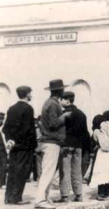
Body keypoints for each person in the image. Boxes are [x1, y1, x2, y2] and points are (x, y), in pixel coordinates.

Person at [34, 80, 72, 208]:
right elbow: (53, 123)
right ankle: (40, 200)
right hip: (52, 142)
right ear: (60, 91)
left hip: (48, 141)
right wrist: (65, 116)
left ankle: (44, 197)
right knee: (48, 172)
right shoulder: (54, 104)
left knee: (47, 171)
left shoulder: (49, 103)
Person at [2, 86, 37, 205]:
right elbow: (26, 129)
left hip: (13, 146)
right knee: (21, 171)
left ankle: (8, 197)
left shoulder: (11, 108)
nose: (31, 95)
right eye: (30, 93)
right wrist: (17, 140)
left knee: (12, 170)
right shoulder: (28, 109)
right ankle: (16, 198)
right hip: (24, 146)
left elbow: (5, 128)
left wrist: (10, 140)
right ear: (27, 94)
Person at [55, 92, 89, 203]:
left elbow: (59, 130)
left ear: (67, 100)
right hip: (78, 146)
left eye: (62, 100)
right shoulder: (82, 114)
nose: (60, 102)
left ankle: (64, 196)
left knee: (64, 171)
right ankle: (78, 195)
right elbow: (85, 133)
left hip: (66, 146)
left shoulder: (63, 114)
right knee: (77, 171)